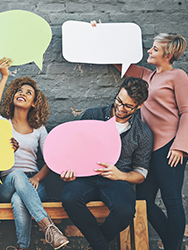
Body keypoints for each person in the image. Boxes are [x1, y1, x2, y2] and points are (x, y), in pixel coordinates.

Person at [115, 32, 188, 250]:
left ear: (168, 56)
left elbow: (187, 112)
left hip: (171, 147)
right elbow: (116, 61)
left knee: (172, 200)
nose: (149, 51)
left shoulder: (178, 76)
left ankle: (172, 247)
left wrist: (180, 146)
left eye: (155, 49)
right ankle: (171, 243)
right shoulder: (145, 75)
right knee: (144, 201)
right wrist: (101, 32)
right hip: (149, 149)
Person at [60, 77, 153, 250]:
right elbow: (73, 151)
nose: (120, 107)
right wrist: (69, 171)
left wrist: (121, 175)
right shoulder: (92, 116)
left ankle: (97, 244)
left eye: (127, 106)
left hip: (117, 182)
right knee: (68, 198)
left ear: (138, 106)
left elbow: (141, 173)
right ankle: (101, 246)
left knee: (125, 211)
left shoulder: (142, 132)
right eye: (119, 100)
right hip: (85, 177)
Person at [0, 58, 69, 250]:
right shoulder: (4, 123)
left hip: (33, 182)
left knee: (19, 199)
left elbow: (51, 157)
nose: (22, 94)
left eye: (28, 93)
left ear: (34, 103)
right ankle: (49, 228)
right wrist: (4, 76)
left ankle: (23, 247)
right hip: (7, 182)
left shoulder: (39, 129)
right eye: (19, 90)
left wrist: (38, 178)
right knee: (16, 176)